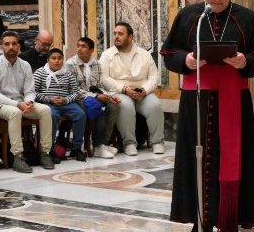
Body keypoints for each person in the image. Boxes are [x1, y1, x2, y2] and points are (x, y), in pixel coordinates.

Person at [160, 0, 254, 232]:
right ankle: (199, 223)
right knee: (193, 158)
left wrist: (245, 61)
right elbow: (169, 52)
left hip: (233, 99)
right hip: (195, 98)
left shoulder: (247, 18)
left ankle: (229, 222)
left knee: (233, 159)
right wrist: (185, 60)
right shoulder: (190, 16)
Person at [0, 30, 54, 172]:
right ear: (1, 46)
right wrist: (18, 105)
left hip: (21, 102)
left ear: (19, 46)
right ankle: (17, 157)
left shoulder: (25, 65)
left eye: (14, 44)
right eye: (7, 44)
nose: (11, 47)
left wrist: (29, 102)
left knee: (46, 110)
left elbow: (29, 90)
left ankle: (45, 153)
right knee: (15, 113)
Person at [99, 21, 164, 156]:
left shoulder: (144, 54)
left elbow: (154, 77)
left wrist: (145, 90)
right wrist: (124, 89)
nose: (116, 36)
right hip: (119, 91)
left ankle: (157, 142)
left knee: (155, 105)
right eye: (115, 33)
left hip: (142, 92)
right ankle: (129, 144)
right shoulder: (107, 55)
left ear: (130, 37)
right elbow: (104, 79)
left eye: (120, 34)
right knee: (125, 105)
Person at [68, 36, 120, 159]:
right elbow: (73, 89)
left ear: (91, 50)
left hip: (94, 96)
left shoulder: (96, 63)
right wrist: (95, 96)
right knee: (97, 109)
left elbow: (100, 84)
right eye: (78, 45)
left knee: (113, 107)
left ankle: (104, 143)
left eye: (83, 46)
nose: (79, 49)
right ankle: (98, 146)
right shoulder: (70, 64)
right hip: (78, 98)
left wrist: (108, 96)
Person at [33, 48, 87, 161]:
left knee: (81, 115)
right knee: (51, 116)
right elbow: (33, 92)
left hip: (66, 103)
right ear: (48, 60)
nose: (57, 61)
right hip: (48, 104)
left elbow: (75, 91)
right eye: (53, 58)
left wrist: (65, 100)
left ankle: (76, 148)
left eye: (59, 58)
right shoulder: (40, 73)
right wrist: (49, 99)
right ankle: (50, 149)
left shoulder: (67, 73)